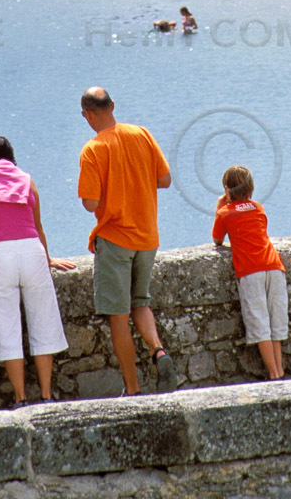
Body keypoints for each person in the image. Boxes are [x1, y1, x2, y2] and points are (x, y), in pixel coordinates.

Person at [77, 88, 178, 395]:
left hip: (115, 238)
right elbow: (164, 180)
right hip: (147, 236)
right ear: (113, 106)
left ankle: (133, 389)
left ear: (87, 115)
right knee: (141, 302)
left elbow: (91, 203)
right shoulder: (142, 134)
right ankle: (158, 349)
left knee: (118, 317)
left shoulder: (92, 150)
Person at [0, 137, 75, 406]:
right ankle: (46, 396)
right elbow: (38, 225)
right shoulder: (26, 180)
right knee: (43, 322)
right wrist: (47, 258)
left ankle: (21, 398)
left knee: (6, 326)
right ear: (11, 156)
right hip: (32, 251)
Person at [212, 165, 287, 380]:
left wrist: (220, 206)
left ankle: (273, 375)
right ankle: (280, 371)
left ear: (227, 190)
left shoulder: (225, 213)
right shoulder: (259, 207)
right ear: (251, 187)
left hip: (251, 270)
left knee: (260, 323)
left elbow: (217, 239)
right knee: (276, 322)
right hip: (273, 266)